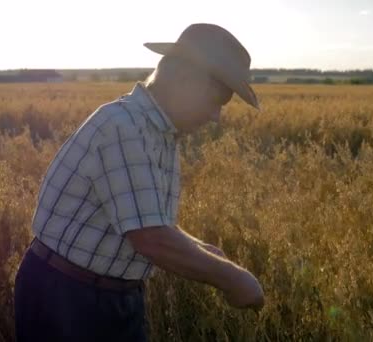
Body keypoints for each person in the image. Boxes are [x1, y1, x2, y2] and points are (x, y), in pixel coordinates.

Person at [14, 23, 264, 342]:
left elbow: (148, 220)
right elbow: (151, 238)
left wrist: (207, 251)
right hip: (68, 299)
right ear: (188, 81)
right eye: (218, 100)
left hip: (106, 297)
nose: (216, 116)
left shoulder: (157, 132)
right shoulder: (124, 128)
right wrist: (235, 280)